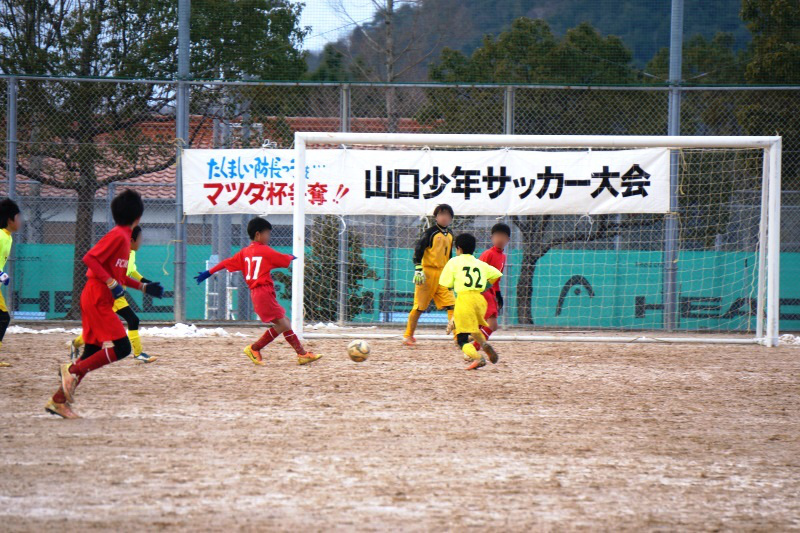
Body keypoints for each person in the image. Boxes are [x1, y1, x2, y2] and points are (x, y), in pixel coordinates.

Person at [45, 189, 165, 419]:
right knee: (122, 348)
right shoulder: (118, 235)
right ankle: (71, 371)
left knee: (92, 351)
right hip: (96, 298)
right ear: (138, 217)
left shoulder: (122, 239)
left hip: (97, 297)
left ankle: (58, 401)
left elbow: (118, 276)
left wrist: (144, 287)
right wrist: (110, 282)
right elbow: (90, 258)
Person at [195, 216, 322, 366]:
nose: (269, 237)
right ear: (258, 234)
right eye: (267, 233)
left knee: (285, 322)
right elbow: (282, 259)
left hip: (258, 293)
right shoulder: (265, 250)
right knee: (283, 325)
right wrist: (290, 256)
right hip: (263, 293)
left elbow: (225, 262)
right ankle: (255, 348)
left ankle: (302, 354)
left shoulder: (244, 252)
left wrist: (208, 273)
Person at [70, 225, 158, 363]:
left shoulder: (130, 253)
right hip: (109, 293)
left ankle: (75, 347)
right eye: (140, 238)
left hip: (115, 294)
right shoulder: (120, 249)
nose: (142, 241)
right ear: (132, 239)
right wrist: (112, 283)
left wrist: (143, 284)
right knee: (131, 321)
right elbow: (92, 260)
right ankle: (138, 353)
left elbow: (127, 272)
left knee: (96, 333)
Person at [439, 233, 502, 370]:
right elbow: (497, 273)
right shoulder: (479, 263)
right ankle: (484, 344)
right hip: (479, 300)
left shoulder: (454, 261)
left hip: (465, 299)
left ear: (458, 249)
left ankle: (478, 358)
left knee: (461, 340)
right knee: (472, 328)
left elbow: (445, 283)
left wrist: (453, 283)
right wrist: (486, 285)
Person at [403, 204, 456, 346]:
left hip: (443, 275)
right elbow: (418, 249)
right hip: (427, 274)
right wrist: (418, 268)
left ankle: (458, 338)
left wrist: (451, 272)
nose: (444, 217)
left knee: (452, 305)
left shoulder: (450, 234)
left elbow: (449, 256)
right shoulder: (430, 233)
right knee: (419, 307)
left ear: (451, 218)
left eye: (447, 215)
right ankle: (408, 336)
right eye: (441, 214)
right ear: (436, 217)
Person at [472, 223, 510, 352]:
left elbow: (496, 279)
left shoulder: (503, 257)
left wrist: (498, 295)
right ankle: (474, 347)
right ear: (491, 238)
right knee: (492, 324)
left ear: (508, 240)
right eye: (497, 236)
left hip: (491, 293)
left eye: (503, 237)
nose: (500, 239)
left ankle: (469, 344)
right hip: (483, 292)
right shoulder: (488, 254)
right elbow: (477, 273)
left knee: (483, 325)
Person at [0, 199, 21, 368]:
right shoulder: (0, 236)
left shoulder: (7, 237)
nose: (20, 220)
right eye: (18, 217)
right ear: (9, 219)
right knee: (3, 317)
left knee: (3, 317)